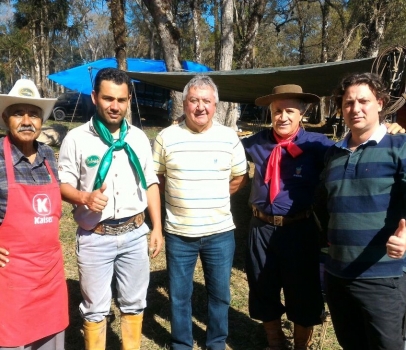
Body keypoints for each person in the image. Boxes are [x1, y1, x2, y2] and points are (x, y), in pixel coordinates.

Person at [58, 68, 163, 350]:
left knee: (134, 303)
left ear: (129, 100)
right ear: (94, 97)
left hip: (135, 234)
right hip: (96, 237)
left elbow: (151, 183)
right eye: (107, 98)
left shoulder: (139, 138)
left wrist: (157, 229)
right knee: (95, 309)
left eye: (121, 99)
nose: (115, 106)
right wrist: (84, 197)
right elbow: (62, 184)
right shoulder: (76, 138)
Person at [153, 75, 248, 350]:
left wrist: (212, 195)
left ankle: (216, 342)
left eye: (206, 101)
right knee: (180, 295)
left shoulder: (228, 138)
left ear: (215, 105)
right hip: (179, 233)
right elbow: (157, 178)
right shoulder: (166, 137)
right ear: (184, 103)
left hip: (219, 233)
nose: (200, 107)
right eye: (194, 100)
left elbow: (239, 178)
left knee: (220, 295)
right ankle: (182, 343)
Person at [241, 84, 333, 350]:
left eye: (289, 111)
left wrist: (391, 132)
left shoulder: (317, 145)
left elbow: (352, 153)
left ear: (302, 113)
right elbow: (225, 150)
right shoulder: (257, 142)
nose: (283, 117)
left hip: (299, 229)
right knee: (262, 285)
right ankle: (275, 341)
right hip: (260, 228)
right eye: (277, 110)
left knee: (303, 291)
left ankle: (301, 346)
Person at [321, 72, 406, 350]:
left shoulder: (400, 146)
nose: (355, 109)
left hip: (382, 277)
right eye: (347, 103)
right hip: (337, 275)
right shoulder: (333, 154)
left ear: (380, 103)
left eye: (363, 101)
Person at [0, 79, 69, 349]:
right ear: (6, 118)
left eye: (34, 114)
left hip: (50, 278)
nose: (27, 120)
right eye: (19, 113)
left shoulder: (48, 155)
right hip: (12, 285)